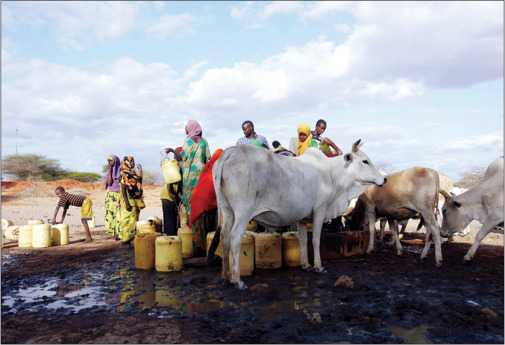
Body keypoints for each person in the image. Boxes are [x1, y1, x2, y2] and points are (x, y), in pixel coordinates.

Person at [165, 120, 211, 224]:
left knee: (190, 200)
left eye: (186, 127)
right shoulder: (204, 141)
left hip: (189, 176)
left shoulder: (187, 141)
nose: (185, 129)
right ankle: (201, 223)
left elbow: (184, 158)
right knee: (201, 199)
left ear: (191, 128)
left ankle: (191, 223)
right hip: (202, 176)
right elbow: (208, 157)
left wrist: (172, 150)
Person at [188, 149, 223, 257]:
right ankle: (206, 256)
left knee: (201, 231)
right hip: (206, 202)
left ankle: (201, 255)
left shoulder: (208, 167)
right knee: (210, 231)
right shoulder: (219, 170)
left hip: (198, 200)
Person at [119, 156, 145, 245]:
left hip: (135, 201)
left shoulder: (133, 173)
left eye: (133, 161)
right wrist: (127, 203)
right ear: (126, 162)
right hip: (128, 202)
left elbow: (139, 183)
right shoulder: (124, 174)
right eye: (131, 161)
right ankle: (125, 242)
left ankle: (130, 240)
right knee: (128, 222)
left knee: (134, 221)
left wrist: (141, 171)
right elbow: (123, 189)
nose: (133, 163)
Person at [160, 147, 183, 236]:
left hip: (172, 194)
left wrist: (179, 196)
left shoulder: (179, 165)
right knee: (170, 221)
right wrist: (170, 192)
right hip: (167, 195)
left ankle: (170, 239)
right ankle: (169, 242)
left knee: (173, 220)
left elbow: (178, 184)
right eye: (180, 154)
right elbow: (170, 180)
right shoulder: (174, 165)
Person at [105, 154, 121, 240]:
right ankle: (113, 233)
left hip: (118, 195)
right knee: (111, 215)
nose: (109, 163)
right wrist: (110, 171)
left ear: (115, 161)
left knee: (118, 215)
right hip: (110, 196)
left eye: (111, 161)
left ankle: (119, 233)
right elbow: (110, 183)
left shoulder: (121, 171)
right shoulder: (109, 172)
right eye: (108, 162)